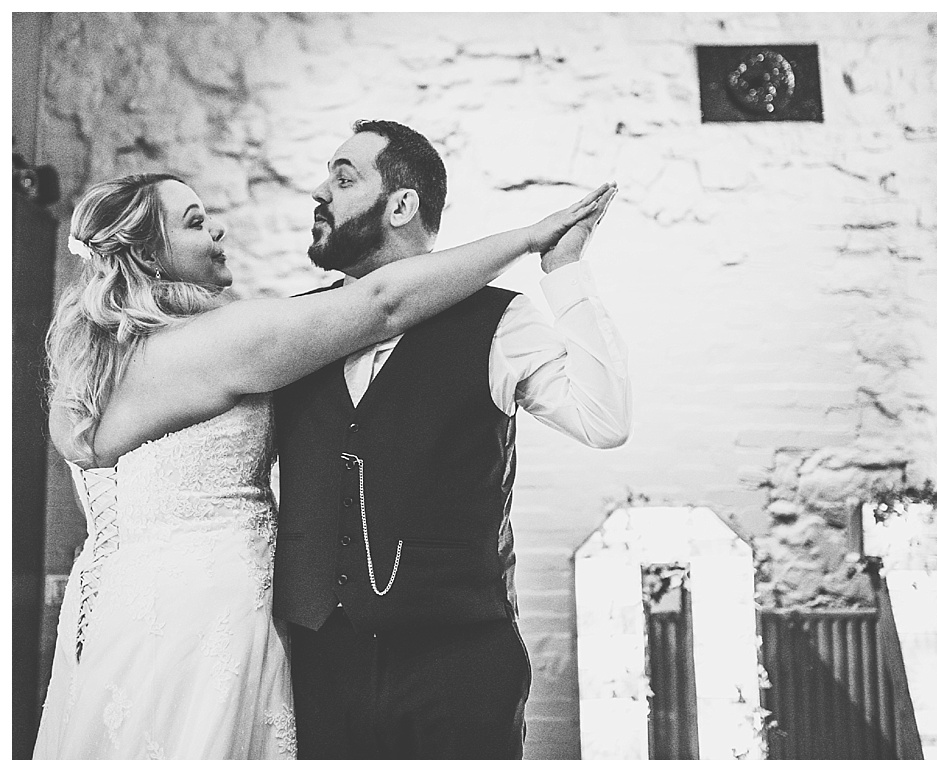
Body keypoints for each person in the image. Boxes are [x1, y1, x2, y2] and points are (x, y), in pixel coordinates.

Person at [34, 170, 612, 759]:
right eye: (194, 222)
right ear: (150, 255)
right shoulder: (221, 340)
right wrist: (529, 238)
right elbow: (383, 305)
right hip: (213, 618)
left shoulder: (84, 372)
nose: (218, 228)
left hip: (119, 611)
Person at [272, 120, 633, 759]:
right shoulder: (297, 325)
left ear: (402, 204)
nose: (318, 192)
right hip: (319, 664)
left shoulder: (498, 319)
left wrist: (566, 272)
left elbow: (602, 419)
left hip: (458, 669)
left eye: (344, 176)